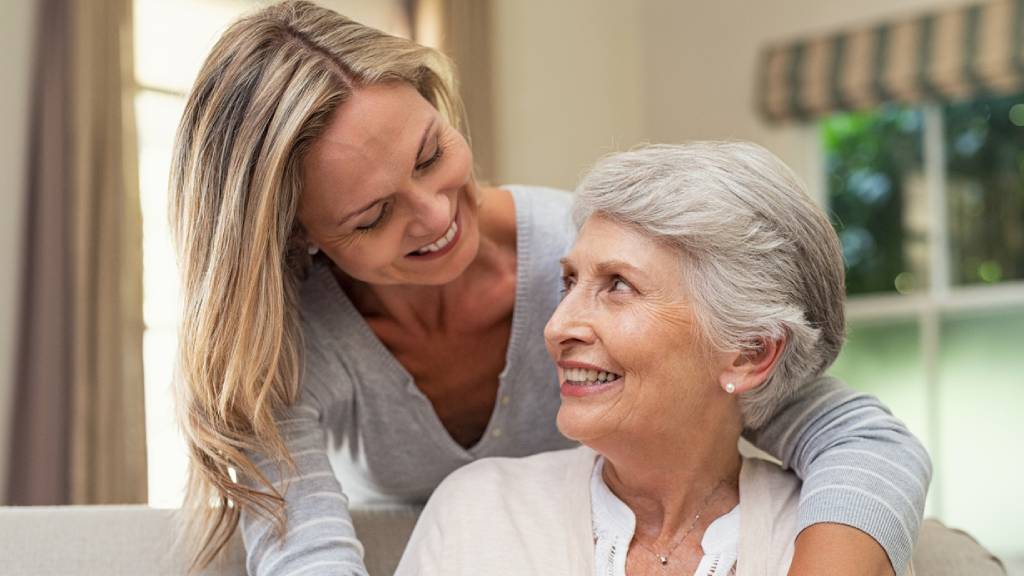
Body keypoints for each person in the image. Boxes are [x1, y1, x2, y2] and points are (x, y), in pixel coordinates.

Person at [168, 2, 930, 575]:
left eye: (431, 155)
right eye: (372, 216)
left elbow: (853, 434)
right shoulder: (285, 345)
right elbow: (305, 553)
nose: (436, 216)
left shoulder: (585, 252)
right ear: (299, 235)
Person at [395, 142, 919, 575]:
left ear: (750, 352)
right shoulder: (478, 511)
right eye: (570, 281)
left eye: (618, 285)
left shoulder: (828, 537)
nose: (556, 327)